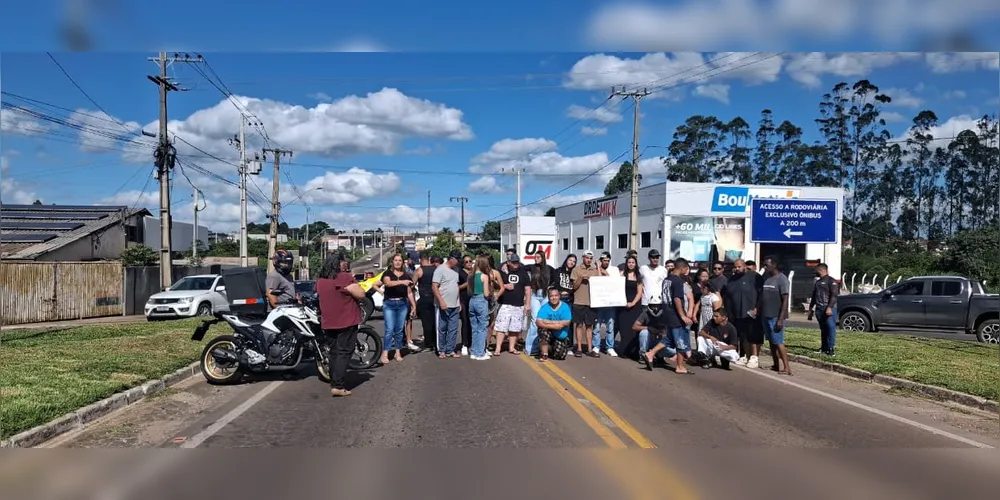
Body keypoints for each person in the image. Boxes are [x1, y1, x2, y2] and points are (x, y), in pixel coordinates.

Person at [315, 254, 365, 397]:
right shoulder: (344, 277)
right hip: (346, 320)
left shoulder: (321, 280)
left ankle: (334, 380)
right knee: (344, 352)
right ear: (338, 264)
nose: (346, 264)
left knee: (334, 352)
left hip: (328, 322)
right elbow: (361, 294)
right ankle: (338, 385)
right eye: (343, 262)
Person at [642, 258, 693, 375]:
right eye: (686, 268)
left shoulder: (667, 280)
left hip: (667, 313)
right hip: (675, 315)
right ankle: (680, 366)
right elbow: (677, 299)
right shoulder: (678, 281)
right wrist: (682, 315)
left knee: (668, 339)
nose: (687, 271)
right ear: (682, 268)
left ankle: (650, 353)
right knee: (680, 340)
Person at [723, 259, 762, 369]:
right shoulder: (732, 280)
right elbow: (728, 297)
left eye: (739, 266)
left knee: (753, 335)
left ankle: (754, 357)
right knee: (742, 336)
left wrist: (757, 308)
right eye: (735, 267)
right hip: (737, 314)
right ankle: (744, 356)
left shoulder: (754, 277)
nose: (737, 269)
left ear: (744, 266)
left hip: (751, 312)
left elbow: (761, 294)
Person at [379, 254, 416, 365]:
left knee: (399, 330)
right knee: (389, 329)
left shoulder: (406, 275)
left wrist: (414, 306)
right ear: (392, 262)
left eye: (400, 260)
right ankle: (385, 353)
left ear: (403, 262)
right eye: (395, 260)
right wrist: (402, 282)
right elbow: (388, 283)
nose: (398, 262)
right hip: (389, 303)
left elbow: (409, 292)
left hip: (402, 304)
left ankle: (397, 352)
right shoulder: (387, 273)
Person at [493, 254, 531, 355]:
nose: (515, 264)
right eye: (513, 262)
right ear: (508, 262)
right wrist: (505, 286)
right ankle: (498, 348)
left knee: (515, 327)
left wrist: (527, 303)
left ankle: (512, 347)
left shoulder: (523, 272)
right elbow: (494, 281)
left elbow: (528, 289)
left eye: (517, 262)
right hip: (504, 303)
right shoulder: (502, 271)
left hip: (518, 304)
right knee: (501, 327)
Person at [759, 256, 792, 375]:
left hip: (775, 316)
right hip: (765, 315)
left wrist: (780, 319)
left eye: (767, 265)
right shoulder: (767, 278)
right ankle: (775, 364)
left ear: (774, 265)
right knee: (772, 341)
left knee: (778, 341)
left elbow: (785, 300)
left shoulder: (782, 279)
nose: (765, 267)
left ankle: (787, 367)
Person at [524, 250, 557, 357]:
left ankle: (543, 348)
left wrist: (551, 289)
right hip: (534, 295)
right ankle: (530, 348)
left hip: (545, 295)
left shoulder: (549, 269)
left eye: (538, 257)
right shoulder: (531, 267)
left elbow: (556, 277)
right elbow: (519, 267)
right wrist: (504, 266)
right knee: (535, 320)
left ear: (543, 258)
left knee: (544, 321)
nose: (536, 258)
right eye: (535, 257)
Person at [638, 249, 669, 357]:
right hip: (646, 303)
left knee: (660, 329)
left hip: (659, 303)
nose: (655, 259)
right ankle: (643, 352)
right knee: (645, 329)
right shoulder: (643, 269)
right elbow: (638, 282)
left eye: (656, 257)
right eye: (653, 257)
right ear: (649, 258)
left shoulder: (663, 270)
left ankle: (657, 353)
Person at [432, 250, 463, 358]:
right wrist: (441, 301)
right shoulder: (440, 269)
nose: (458, 262)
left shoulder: (456, 270)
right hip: (443, 304)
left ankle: (450, 349)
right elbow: (434, 287)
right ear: (452, 259)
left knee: (453, 329)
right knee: (442, 328)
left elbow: (456, 286)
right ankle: (441, 350)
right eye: (457, 260)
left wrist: (459, 302)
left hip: (455, 304)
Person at [571, 251, 601, 358]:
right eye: (587, 258)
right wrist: (581, 278)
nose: (589, 260)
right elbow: (574, 286)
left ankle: (589, 349)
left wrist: (598, 267)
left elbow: (600, 282)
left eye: (590, 258)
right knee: (579, 325)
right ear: (583, 258)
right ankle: (579, 348)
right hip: (579, 301)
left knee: (589, 326)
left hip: (591, 302)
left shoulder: (594, 270)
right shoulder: (576, 269)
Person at [593, 251, 621, 356]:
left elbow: (615, 283)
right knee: (597, 326)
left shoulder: (614, 270)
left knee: (610, 327)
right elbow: (598, 281)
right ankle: (596, 346)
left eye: (608, 260)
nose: (606, 262)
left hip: (610, 303)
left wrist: (605, 273)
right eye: (604, 260)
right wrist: (598, 268)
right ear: (601, 261)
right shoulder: (596, 270)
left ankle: (609, 347)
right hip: (599, 303)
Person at [617, 254, 645, 360]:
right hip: (623, 305)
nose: (631, 264)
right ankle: (623, 351)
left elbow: (639, 292)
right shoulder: (622, 275)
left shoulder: (638, 276)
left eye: (633, 262)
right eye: (629, 262)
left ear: (635, 264)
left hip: (635, 306)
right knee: (624, 329)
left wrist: (632, 303)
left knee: (634, 330)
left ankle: (633, 352)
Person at [809, 263, 840, 356]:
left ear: (821, 270)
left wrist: (829, 307)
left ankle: (830, 349)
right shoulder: (818, 282)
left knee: (830, 328)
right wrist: (811, 308)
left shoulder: (831, 281)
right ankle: (824, 347)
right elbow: (814, 296)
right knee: (823, 329)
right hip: (819, 308)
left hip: (828, 308)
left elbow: (834, 295)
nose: (815, 272)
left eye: (816, 270)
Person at [535, 287, 573, 361]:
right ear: (548, 297)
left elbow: (567, 322)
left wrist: (549, 322)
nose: (554, 298)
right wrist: (555, 326)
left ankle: (550, 348)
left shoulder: (565, 307)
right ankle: (544, 354)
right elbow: (538, 322)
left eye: (556, 295)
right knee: (543, 330)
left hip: (560, 336)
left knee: (560, 356)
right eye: (551, 296)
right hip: (549, 331)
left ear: (559, 296)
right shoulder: (545, 307)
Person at [467, 255, 494, 360]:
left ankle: (474, 351)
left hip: (472, 300)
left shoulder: (470, 275)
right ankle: (480, 353)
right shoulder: (484, 276)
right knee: (482, 328)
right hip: (481, 300)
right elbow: (486, 293)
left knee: (474, 328)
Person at [413, 252, 438, 353]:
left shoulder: (419, 270)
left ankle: (428, 344)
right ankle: (436, 342)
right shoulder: (436, 269)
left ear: (420, 259)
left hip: (424, 298)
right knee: (435, 321)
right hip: (435, 297)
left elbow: (412, 284)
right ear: (429, 259)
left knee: (426, 323)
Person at [457, 255, 473, 356]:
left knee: (472, 322)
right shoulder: (460, 273)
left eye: (470, 261)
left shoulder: (475, 272)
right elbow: (457, 287)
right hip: (463, 299)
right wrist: (467, 283)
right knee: (465, 321)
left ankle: (471, 343)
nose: (469, 263)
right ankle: (464, 344)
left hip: (474, 299)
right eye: (466, 262)